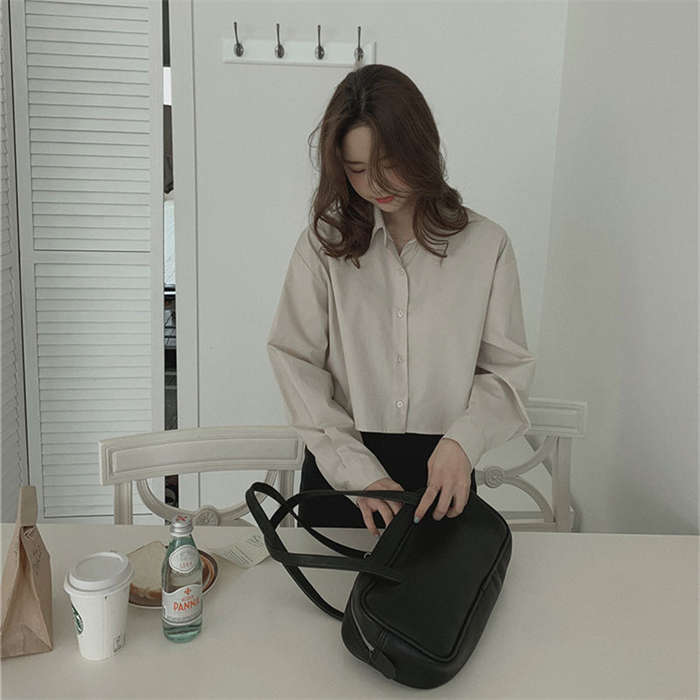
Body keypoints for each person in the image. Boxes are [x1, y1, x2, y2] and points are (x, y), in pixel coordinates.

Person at [266, 64, 536, 536]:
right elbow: (295, 363)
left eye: (390, 164)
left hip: (444, 470)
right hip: (341, 472)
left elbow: (506, 372)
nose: (377, 185)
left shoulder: (485, 245)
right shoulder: (323, 245)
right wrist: (357, 470)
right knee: (326, 584)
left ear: (421, 148)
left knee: (440, 585)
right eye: (357, 170)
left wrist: (464, 441)